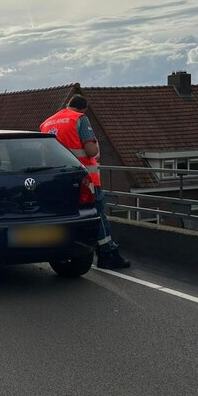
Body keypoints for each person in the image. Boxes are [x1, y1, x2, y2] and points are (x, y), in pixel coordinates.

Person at [40, 94, 130, 269]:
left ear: (68, 104)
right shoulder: (80, 119)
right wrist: (96, 149)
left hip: (56, 179)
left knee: (68, 216)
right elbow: (90, 150)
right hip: (84, 179)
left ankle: (66, 251)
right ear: (84, 109)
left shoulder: (47, 122)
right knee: (97, 214)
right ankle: (108, 253)